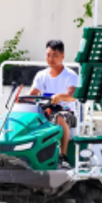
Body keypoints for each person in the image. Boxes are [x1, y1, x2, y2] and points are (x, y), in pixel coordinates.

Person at [29, 40, 78, 169]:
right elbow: (32, 96)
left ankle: (63, 157)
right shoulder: (41, 75)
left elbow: (73, 96)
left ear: (63, 56)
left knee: (59, 117)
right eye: (48, 55)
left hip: (67, 113)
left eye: (55, 55)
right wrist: (20, 101)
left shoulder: (71, 75)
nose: (50, 59)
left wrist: (60, 96)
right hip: (46, 111)